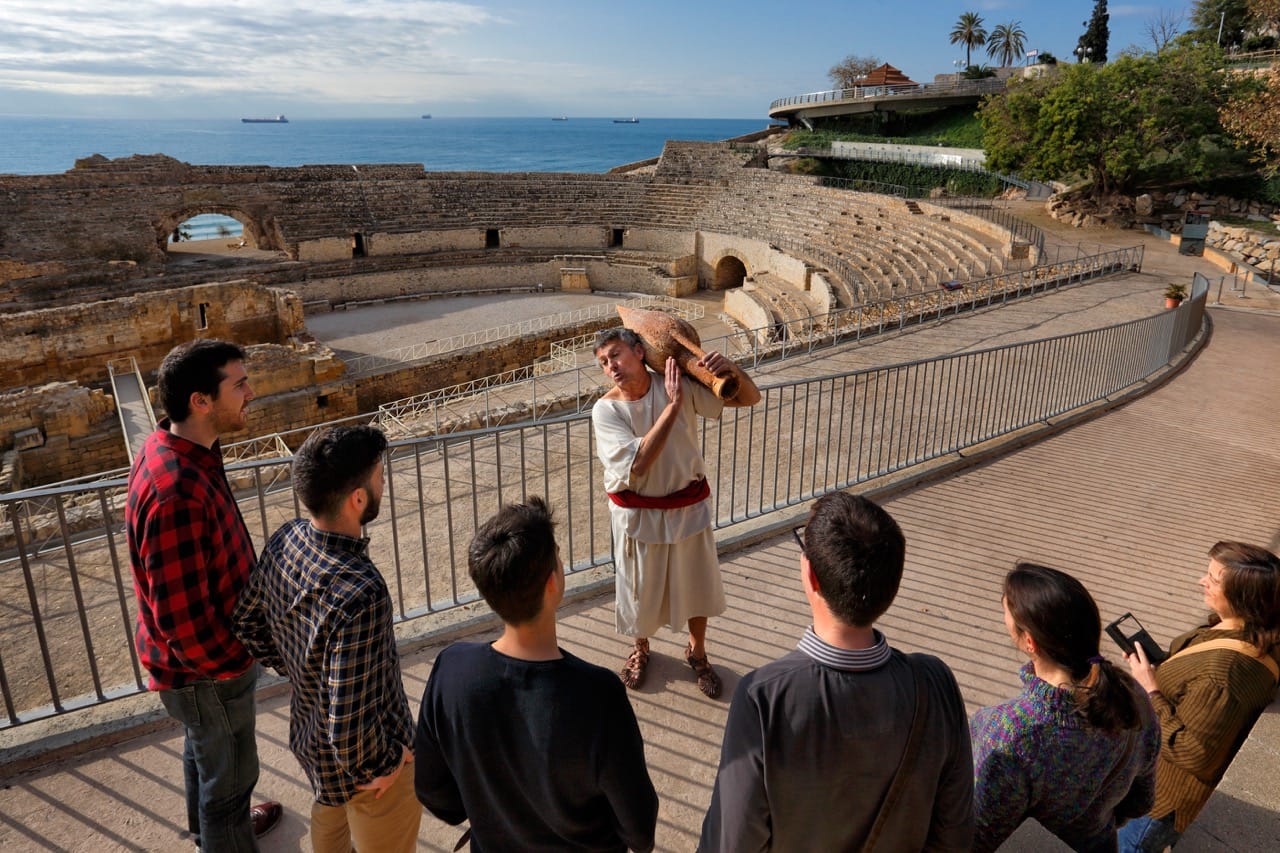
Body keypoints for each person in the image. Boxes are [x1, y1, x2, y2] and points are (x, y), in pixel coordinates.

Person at [698, 491, 973, 851]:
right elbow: (954, 835)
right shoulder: (935, 684)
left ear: (811, 575)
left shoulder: (763, 698)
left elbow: (732, 842)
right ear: (892, 585)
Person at [414, 497, 658, 852]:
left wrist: (492, 810)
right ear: (551, 583)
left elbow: (435, 792)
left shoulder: (452, 670)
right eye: (557, 556)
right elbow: (639, 831)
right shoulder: (598, 695)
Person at [125, 339, 281, 850]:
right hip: (207, 671)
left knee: (206, 755)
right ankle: (225, 834)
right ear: (201, 401)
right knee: (231, 779)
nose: (250, 393)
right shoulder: (176, 492)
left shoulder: (179, 449)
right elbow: (182, 621)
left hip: (197, 669)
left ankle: (209, 833)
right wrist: (236, 660)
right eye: (238, 385)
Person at [232, 425, 419, 853]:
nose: (384, 483)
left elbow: (245, 621)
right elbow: (349, 730)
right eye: (379, 477)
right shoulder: (361, 592)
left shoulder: (287, 538)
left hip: (312, 741)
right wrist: (392, 761)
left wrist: (301, 668)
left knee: (329, 827)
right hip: (371, 778)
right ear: (358, 499)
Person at [591, 327, 761, 698]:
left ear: (639, 351)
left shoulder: (675, 382)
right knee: (638, 591)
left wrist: (731, 369)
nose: (612, 366)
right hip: (638, 518)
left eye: (616, 354)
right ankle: (641, 649)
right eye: (604, 362)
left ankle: (697, 652)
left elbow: (749, 398)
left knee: (696, 588)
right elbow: (638, 464)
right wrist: (673, 406)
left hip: (688, 509)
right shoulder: (606, 410)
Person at [970, 563, 1160, 852]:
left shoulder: (1008, 732)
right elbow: (1141, 801)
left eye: (1006, 614)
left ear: (1029, 642)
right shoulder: (1131, 693)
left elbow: (977, 837)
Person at [1118, 541, 1280, 852]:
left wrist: (1150, 689)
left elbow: (1194, 754)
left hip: (1162, 801)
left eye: (1214, 579)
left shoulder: (1224, 676)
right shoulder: (1253, 631)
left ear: (1243, 598)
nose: (1201, 581)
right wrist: (1165, 666)